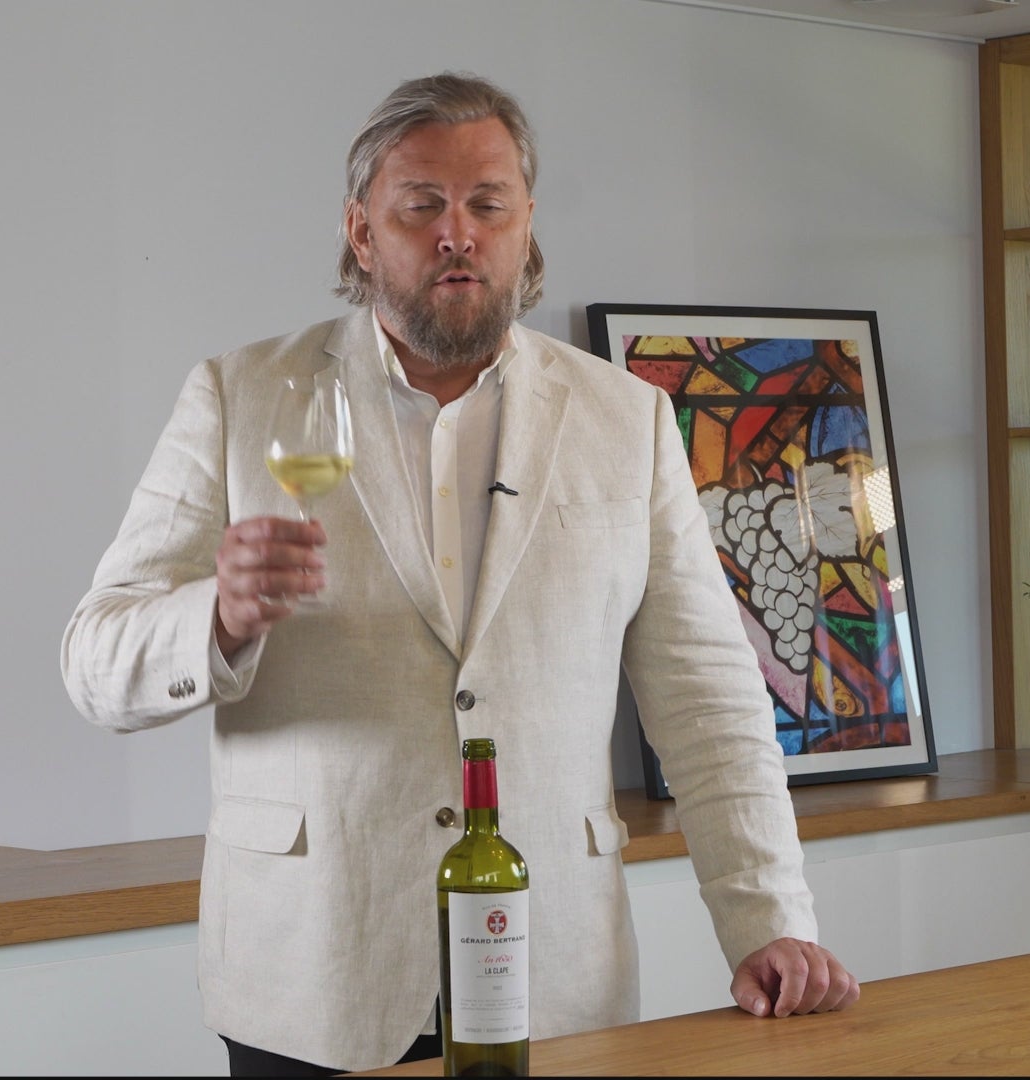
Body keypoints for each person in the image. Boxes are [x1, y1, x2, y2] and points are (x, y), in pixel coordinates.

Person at [60, 71, 859, 1077]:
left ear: (526, 227)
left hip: (555, 979)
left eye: (488, 205)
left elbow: (711, 701)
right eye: (422, 206)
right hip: (312, 981)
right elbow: (93, 662)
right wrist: (216, 617)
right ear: (361, 232)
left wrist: (770, 920)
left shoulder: (628, 419)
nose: (458, 234)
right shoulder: (241, 396)